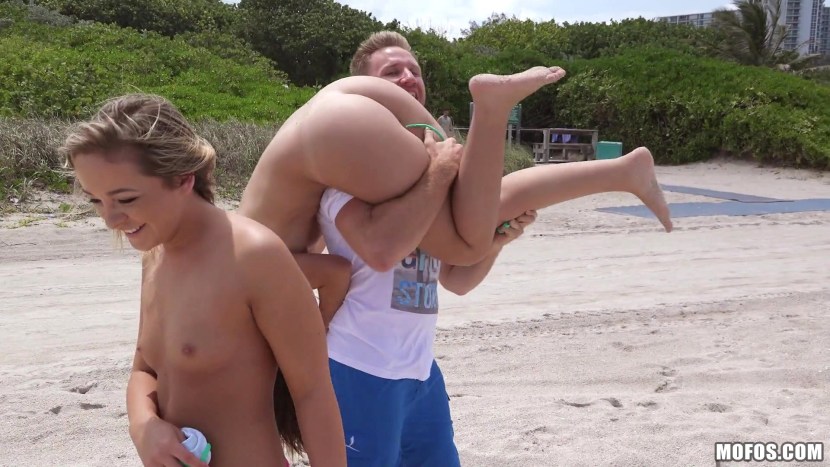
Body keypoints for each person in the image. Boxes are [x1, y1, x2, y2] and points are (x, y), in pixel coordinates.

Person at [62, 94, 346, 467]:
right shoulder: (155, 255)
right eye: (96, 201)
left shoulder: (254, 256)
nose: (110, 219)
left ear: (183, 179)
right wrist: (144, 426)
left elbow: (313, 393)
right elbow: (146, 368)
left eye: (125, 199)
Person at [240, 38, 671, 274]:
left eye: (414, 70)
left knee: (471, 235)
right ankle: (498, 113)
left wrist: (496, 240)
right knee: (469, 237)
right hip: (371, 364)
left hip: (323, 122)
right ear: (370, 83)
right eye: (392, 72)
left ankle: (621, 170)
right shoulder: (353, 172)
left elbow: (455, 276)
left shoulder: (378, 158)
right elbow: (395, 251)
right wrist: (454, 186)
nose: (407, 77)